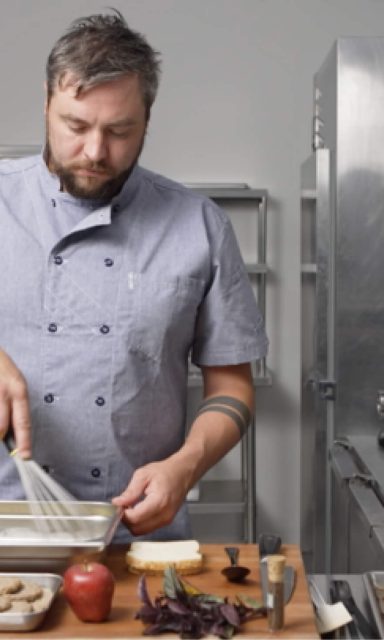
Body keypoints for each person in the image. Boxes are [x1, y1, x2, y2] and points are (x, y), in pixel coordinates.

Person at [0, 10, 268, 542]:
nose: (95, 152)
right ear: (47, 103)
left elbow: (232, 386)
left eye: (119, 131)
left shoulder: (199, 225)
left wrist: (186, 465)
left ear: (147, 120)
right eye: (76, 126)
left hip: (136, 532)